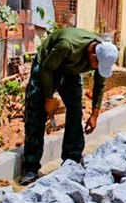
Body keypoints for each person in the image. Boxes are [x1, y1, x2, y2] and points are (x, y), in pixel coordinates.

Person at [18, 27, 118, 185]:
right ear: (93, 55)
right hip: (46, 66)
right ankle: (30, 167)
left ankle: (72, 160)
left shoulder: (102, 55)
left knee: (75, 112)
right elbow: (46, 69)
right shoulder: (67, 46)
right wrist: (49, 98)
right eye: (95, 65)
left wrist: (95, 115)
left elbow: (99, 85)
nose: (95, 69)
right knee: (36, 114)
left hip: (70, 71)